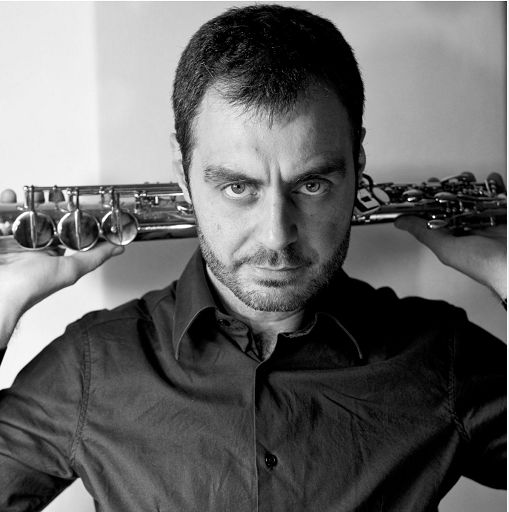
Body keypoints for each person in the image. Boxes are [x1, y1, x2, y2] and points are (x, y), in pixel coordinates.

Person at [0, 4, 505, 511]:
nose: (276, 237)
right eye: (238, 187)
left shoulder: (440, 357)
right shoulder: (93, 365)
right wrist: (4, 301)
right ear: (182, 171)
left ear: (357, 163)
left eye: (312, 185)